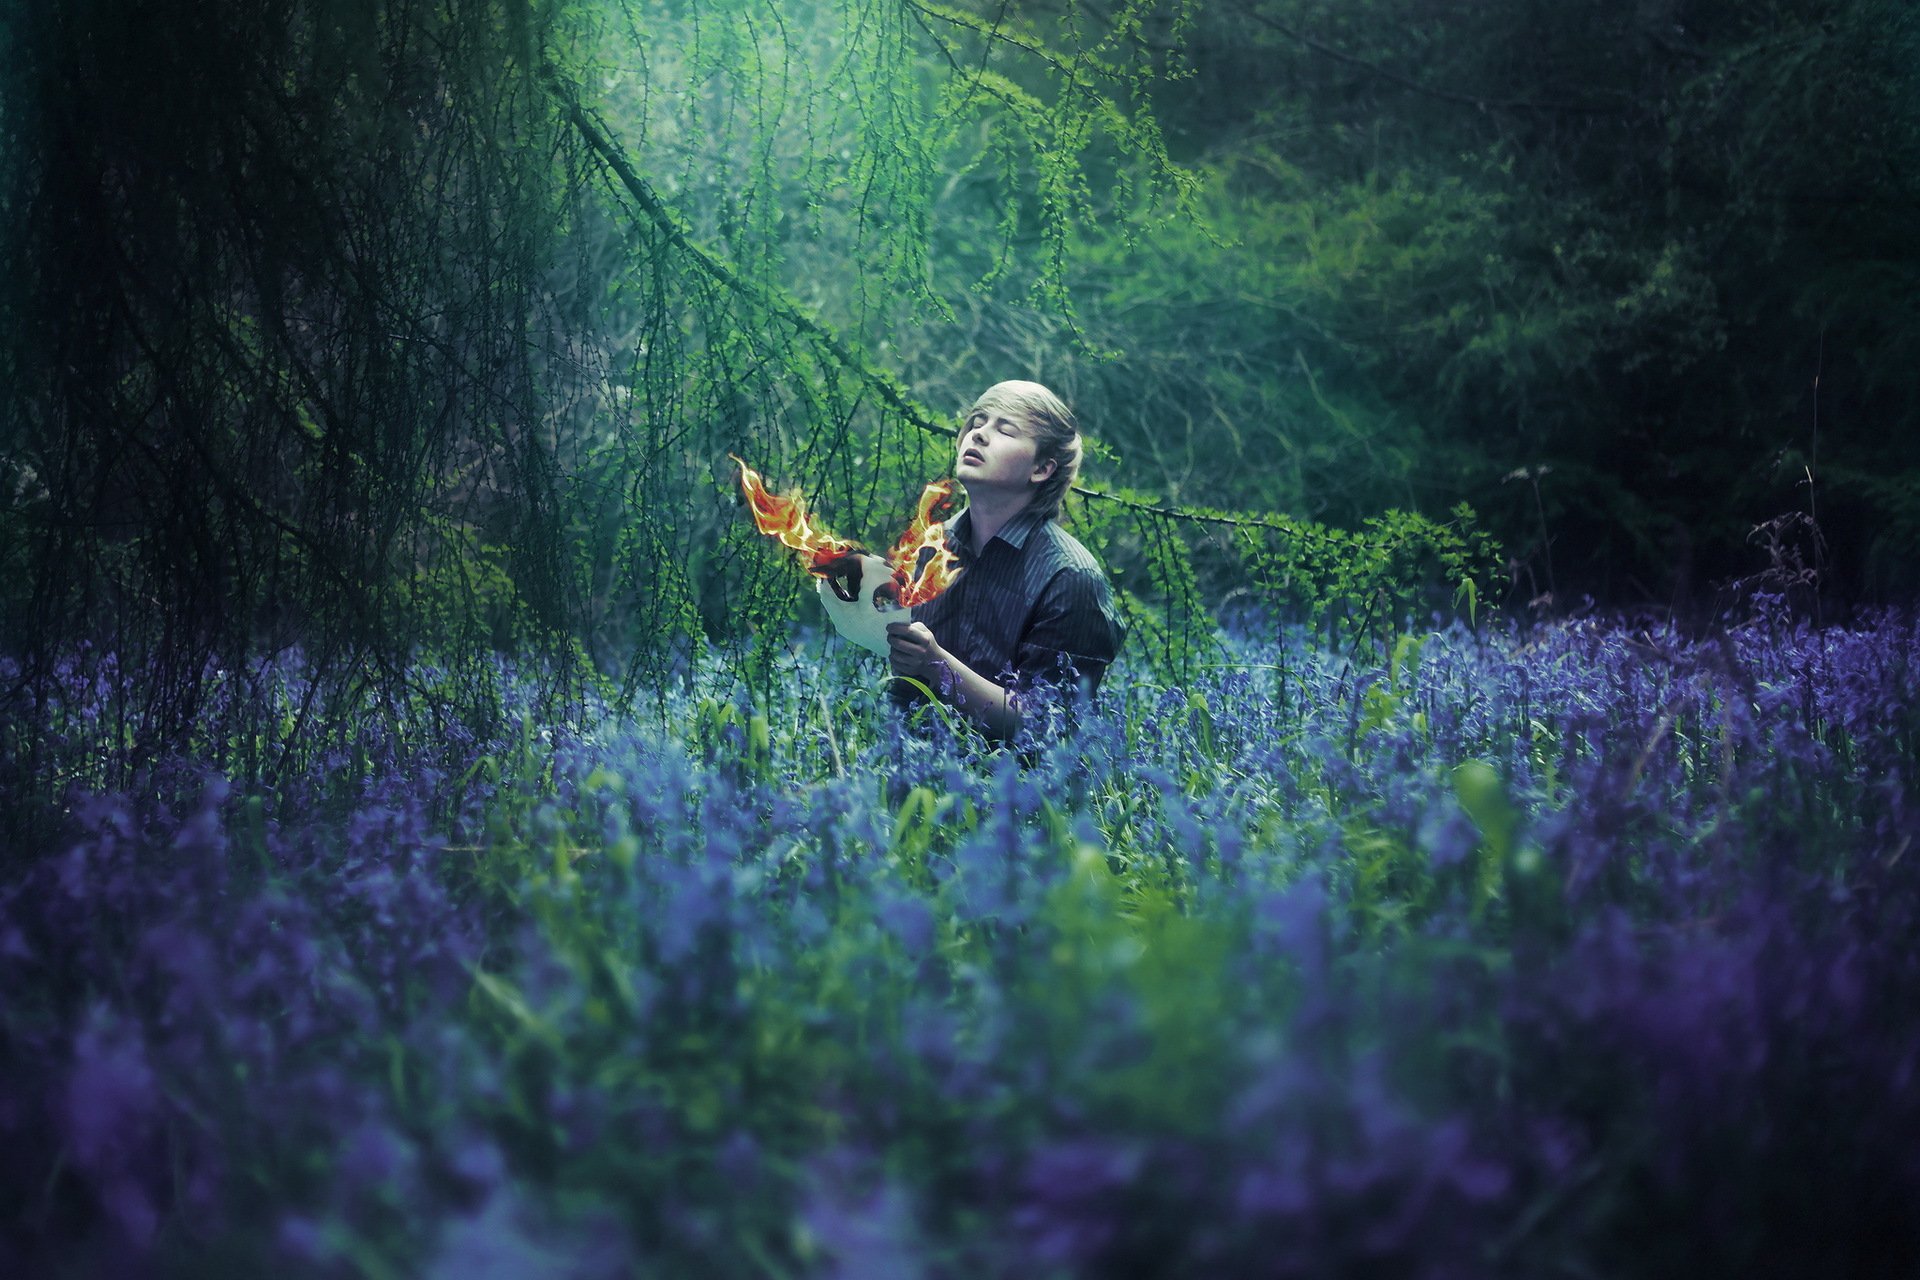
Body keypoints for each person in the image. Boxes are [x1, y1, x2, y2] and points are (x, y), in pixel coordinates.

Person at [886, 380, 1125, 741]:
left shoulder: (1070, 578)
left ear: (1041, 469)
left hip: (1014, 792)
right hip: (911, 780)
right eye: (977, 422)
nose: (978, 435)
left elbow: (1046, 726)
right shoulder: (928, 549)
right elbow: (901, 695)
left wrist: (935, 663)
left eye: (1005, 429)